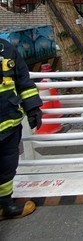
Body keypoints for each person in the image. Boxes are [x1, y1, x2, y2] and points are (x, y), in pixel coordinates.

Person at [0, 39, 43, 220]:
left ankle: (5, 204)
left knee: (8, 166)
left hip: (8, 123)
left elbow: (23, 81)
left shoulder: (6, 49)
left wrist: (33, 108)